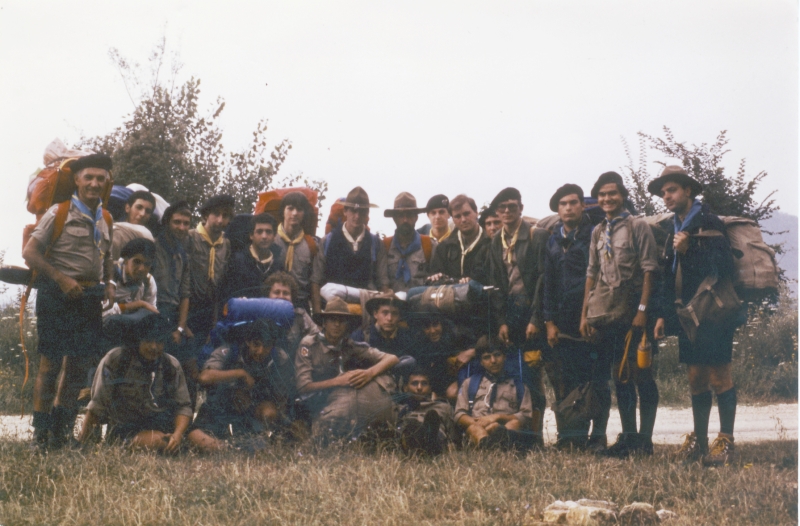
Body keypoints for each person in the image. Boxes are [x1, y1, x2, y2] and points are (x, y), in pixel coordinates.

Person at [23, 153, 115, 450]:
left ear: (106, 182)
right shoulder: (58, 212)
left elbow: (108, 255)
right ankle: (41, 436)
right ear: (77, 179)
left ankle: (60, 436)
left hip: (88, 299)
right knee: (50, 366)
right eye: (88, 177)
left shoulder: (106, 217)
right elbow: (30, 253)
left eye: (100, 178)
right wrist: (61, 278)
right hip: (56, 296)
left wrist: (110, 282)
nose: (94, 183)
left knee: (76, 368)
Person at [649, 166, 740, 466]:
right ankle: (700, 444)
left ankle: (725, 441)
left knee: (719, 375)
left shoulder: (708, 221)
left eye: (671, 190)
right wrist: (662, 315)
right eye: (663, 193)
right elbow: (667, 274)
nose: (666, 197)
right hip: (688, 314)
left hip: (714, 312)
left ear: (688, 190)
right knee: (695, 377)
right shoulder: (673, 226)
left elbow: (725, 266)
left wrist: (690, 249)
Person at [580, 171, 660, 457]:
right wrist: (585, 315)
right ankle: (628, 439)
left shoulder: (637, 226)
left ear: (623, 195)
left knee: (643, 375)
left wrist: (642, 311)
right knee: (620, 375)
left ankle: (645, 441)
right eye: (602, 194)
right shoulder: (598, 231)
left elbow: (650, 269)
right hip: (609, 314)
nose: (607, 198)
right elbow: (592, 274)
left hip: (635, 312)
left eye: (612, 193)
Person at [542, 184, 611, 451]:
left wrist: (591, 317)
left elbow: (601, 278)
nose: (568, 208)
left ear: (583, 206)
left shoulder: (595, 234)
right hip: (563, 322)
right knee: (569, 382)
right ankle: (573, 436)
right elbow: (547, 283)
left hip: (593, 319)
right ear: (558, 210)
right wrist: (549, 322)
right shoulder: (552, 239)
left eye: (573, 203)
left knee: (597, 380)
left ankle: (599, 435)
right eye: (563, 204)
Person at [77, 314, 200, 453]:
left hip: (164, 423)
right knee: (158, 441)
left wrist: (178, 435)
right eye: (148, 341)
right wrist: (82, 443)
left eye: (159, 342)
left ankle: (176, 445)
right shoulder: (116, 360)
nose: (154, 347)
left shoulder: (171, 365)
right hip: (128, 428)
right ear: (137, 340)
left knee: (206, 443)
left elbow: (183, 407)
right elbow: (97, 406)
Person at [486, 187, 550, 444]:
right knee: (515, 377)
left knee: (535, 377)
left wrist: (536, 319)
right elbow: (495, 285)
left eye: (512, 206)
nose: (507, 211)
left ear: (521, 209)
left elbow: (543, 281)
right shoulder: (495, 241)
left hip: (533, 315)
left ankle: (536, 438)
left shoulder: (538, 236)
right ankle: (518, 438)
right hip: (511, 318)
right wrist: (501, 321)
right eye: (502, 208)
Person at [295, 297, 399, 441]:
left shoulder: (349, 345)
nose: (337, 325)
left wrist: (368, 374)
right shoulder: (309, 345)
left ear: (347, 325)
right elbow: (303, 386)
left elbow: (392, 358)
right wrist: (338, 381)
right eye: (332, 320)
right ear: (324, 323)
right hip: (313, 401)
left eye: (342, 320)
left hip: (340, 400)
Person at [189, 319, 291, 451]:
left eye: (266, 346)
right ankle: (227, 448)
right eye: (256, 344)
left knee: (269, 413)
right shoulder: (229, 352)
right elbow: (204, 377)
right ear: (247, 341)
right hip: (222, 406)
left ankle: (260, 442)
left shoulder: (279, 357)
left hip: (254, 409)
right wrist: (240, 373)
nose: (260, 351)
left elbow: (282, 396)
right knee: (194, 435)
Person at [185, 194, 235, 405]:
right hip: (188, 306)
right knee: (186, 359)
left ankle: (202, 407)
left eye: (225, 216)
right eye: (216, 215)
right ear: (206, 215)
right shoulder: (190, 237)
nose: (220, 221)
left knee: (205, 356)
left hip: (209, 309)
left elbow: (220, 284)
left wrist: (215, 319)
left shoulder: (226, 245)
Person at [311, 187, 390, 314]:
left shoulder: (375, 244)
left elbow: (383, 282)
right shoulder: (328, 241)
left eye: (362, 212)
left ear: (367, 214)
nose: (357, 216)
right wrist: (317, 313)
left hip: (366, 310)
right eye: (353, 210)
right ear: (345, 211)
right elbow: (316, 280)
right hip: (334, 311)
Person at [454, 336, 534, 450]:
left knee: (514, 424)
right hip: (479, 426)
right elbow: (459, 414)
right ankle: (486, 445)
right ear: (481, 362)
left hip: (504, 427)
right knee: (473, 429)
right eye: (487, 357)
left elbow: (526, 416)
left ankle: (501, 442)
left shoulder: (518, 386)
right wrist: (480, 423)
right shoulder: (469, 383)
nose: (493, 361)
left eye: (497, 355)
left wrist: (498, 417)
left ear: (504, 356)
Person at [408, 306, 477, 402]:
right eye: (427, 327)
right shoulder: (420, 342)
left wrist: (471, 352)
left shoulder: (456, 333)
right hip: (440, 379)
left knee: (452, 393)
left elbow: (483, 345)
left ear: (442, 323)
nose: (432, 331)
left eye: (435, 325)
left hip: (465, 373)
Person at [429, 194, 491, 284]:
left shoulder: (491, 243)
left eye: (466, 214)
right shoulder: (444, 247)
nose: (463, 220)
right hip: (451, 296)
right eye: (457, 216)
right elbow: (435, 279)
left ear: (476, 213)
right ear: (452, 219)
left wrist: (472, 282)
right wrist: (437, 277)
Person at [222, 213, 284, 302]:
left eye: (268, 232)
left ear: (274, 236)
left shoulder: (279, 266)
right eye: (259, 232)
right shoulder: (236, 262)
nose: (264, 236)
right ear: (251, 235)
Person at [351, 293, 416, 377]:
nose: (389, 318)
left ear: (399, 316)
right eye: (385, 313)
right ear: (375, 314)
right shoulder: (361, 336)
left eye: (394, 313)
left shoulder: (407, 337)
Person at [274, 191, 318, 310]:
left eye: (299, 209)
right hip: (273, 300)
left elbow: (314, 281)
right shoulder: (271, 239)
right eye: (290, 208)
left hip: (301, 302)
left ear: (304, 213)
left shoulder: (311, 244)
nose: (294, 213)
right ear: (283, 211)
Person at [397, 367, 456, 456]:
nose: (419, 388)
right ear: (405, 388)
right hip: (409, 439)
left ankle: (430, 435)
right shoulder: (400, 409)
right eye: (414, 383)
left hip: (438, 440)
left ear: (430, 388)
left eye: (424, 384)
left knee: (433, 424)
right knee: (411, 427)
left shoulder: (443, 407)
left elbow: (453, 438)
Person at [263, 271, 320, 360]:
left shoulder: (299, 316)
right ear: (268, 295)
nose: (281, 296)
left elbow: (316, 336)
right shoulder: (261, 316)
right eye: (276, 292)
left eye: (286, 293)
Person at [383, 192, 433, 292]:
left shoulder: (429, 245)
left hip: (420, 304)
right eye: (401, 215)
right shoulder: (384, 246)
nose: (405, 220)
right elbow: (380, 281)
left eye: (409, 215)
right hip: (392, 304)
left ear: (416, 217)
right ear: (394, 218)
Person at [104, 238, 158, 320]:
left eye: (147, 264)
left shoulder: (148, 281)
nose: (141, 269)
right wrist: (139, 304)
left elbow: (151, 310)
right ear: (126, 260)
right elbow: (102, 311)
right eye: (137, 262)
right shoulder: (111, 276)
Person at [110, 190, 156, 261]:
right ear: (127, 208)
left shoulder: (147, 238)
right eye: (139, 207)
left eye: (148, 211)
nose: (142, 214)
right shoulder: (111, 224)